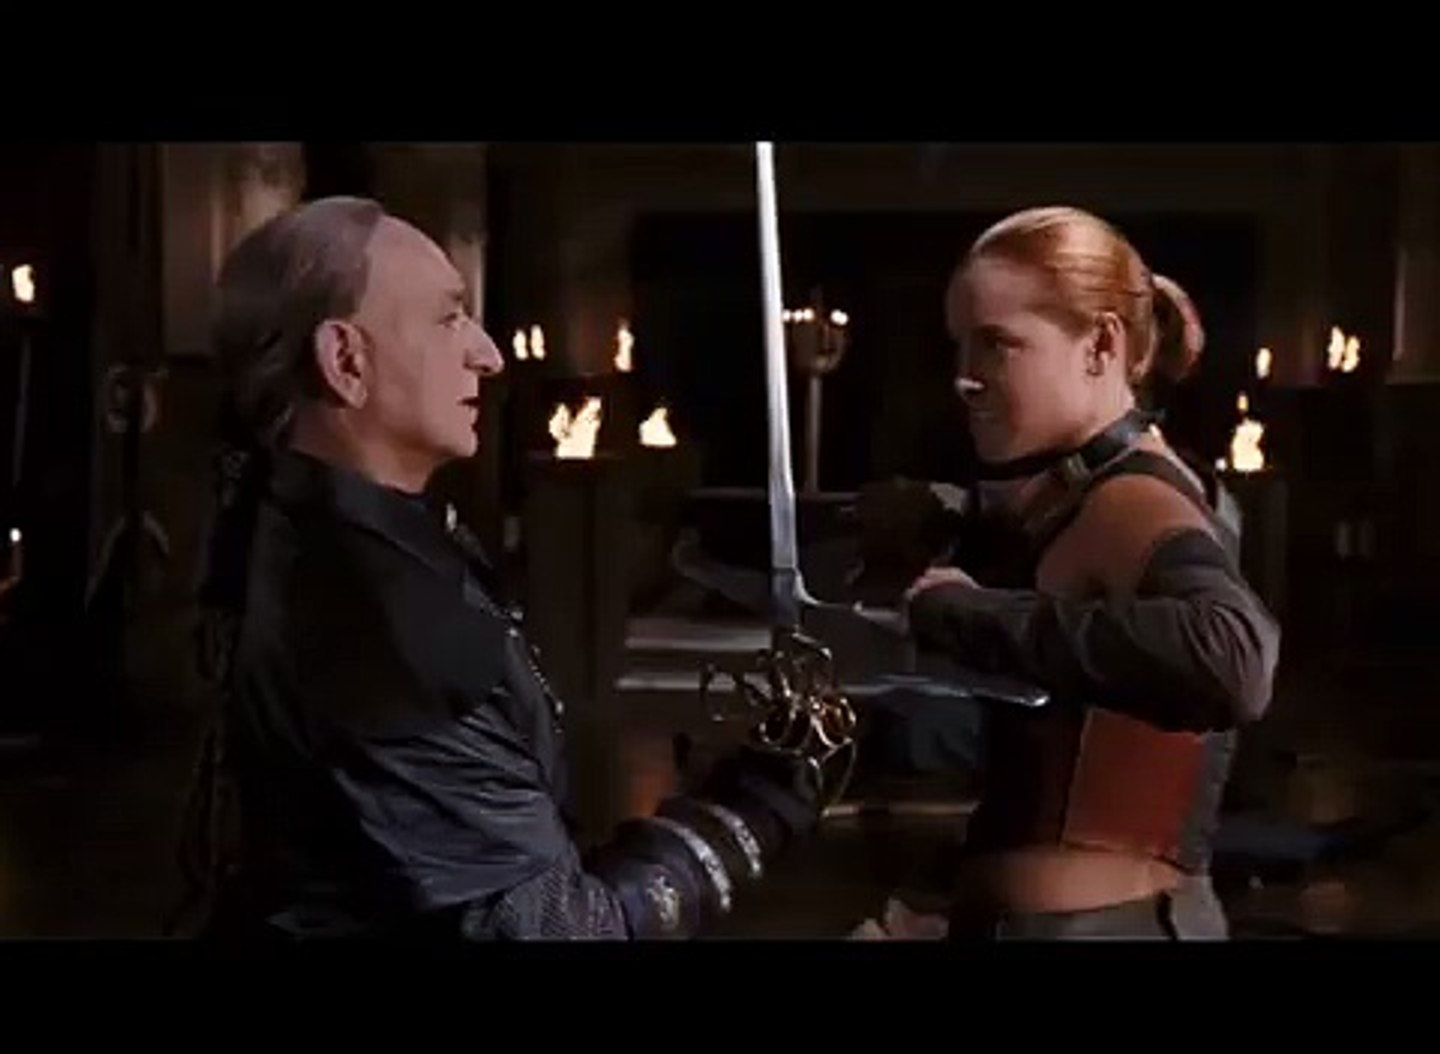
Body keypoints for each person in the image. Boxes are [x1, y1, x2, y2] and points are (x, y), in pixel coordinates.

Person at [177, 196, 819, 941]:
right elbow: (553, 930)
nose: (488, 354)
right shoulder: (379, 618)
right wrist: (745, 817)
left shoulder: (299, 527)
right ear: (345, 361)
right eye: (448, 319)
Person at [878, 206, 1280, 940]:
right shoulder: (1085, 490)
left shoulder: (1134, 498)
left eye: (997, 343)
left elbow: (1233, 657)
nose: (965, 377)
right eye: (960, 344)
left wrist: (975, 613)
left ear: (1101, 345)